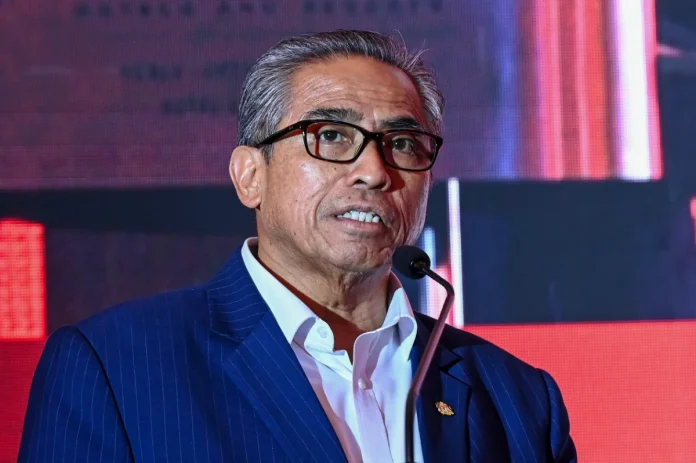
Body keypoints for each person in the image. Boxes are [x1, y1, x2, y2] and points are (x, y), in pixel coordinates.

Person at [19, 30, 576, 463]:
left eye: (403, 143)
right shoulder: (116, 367)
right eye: (331, 136)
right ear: (249, 176)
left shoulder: (516, 396)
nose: (374, 171)